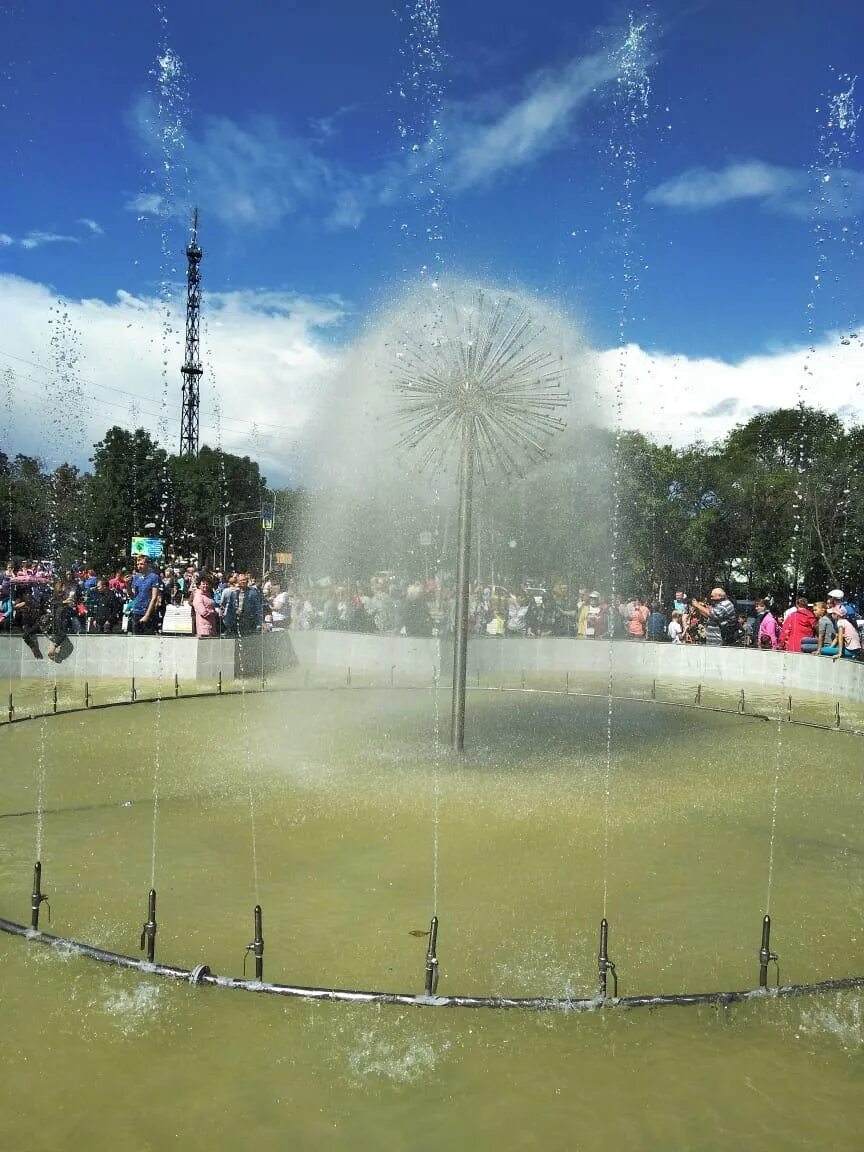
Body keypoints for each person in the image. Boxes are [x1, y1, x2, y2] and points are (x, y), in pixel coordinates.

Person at [220, 572, 263, 636]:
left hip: (249, 622)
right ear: (237, 582)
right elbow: (230, 608)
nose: (243, 582)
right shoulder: (234, 593)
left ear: (247, 581)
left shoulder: (253, 592)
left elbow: (258, 607)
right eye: (241, 580)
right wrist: (228, 622)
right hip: (236, 622)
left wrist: (259, 623)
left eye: (244, 580)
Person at [129, 554, 161, 634]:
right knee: (135, 638)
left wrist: (147, 615)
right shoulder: (136, 577)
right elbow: (133, 597)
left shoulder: (154, 577)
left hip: (148, 612)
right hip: (136, 611)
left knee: (148, 639)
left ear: (147, 564)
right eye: (138, 564)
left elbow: (154, 598)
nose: (139, 566)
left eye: (142, 564)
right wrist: (127, 585)